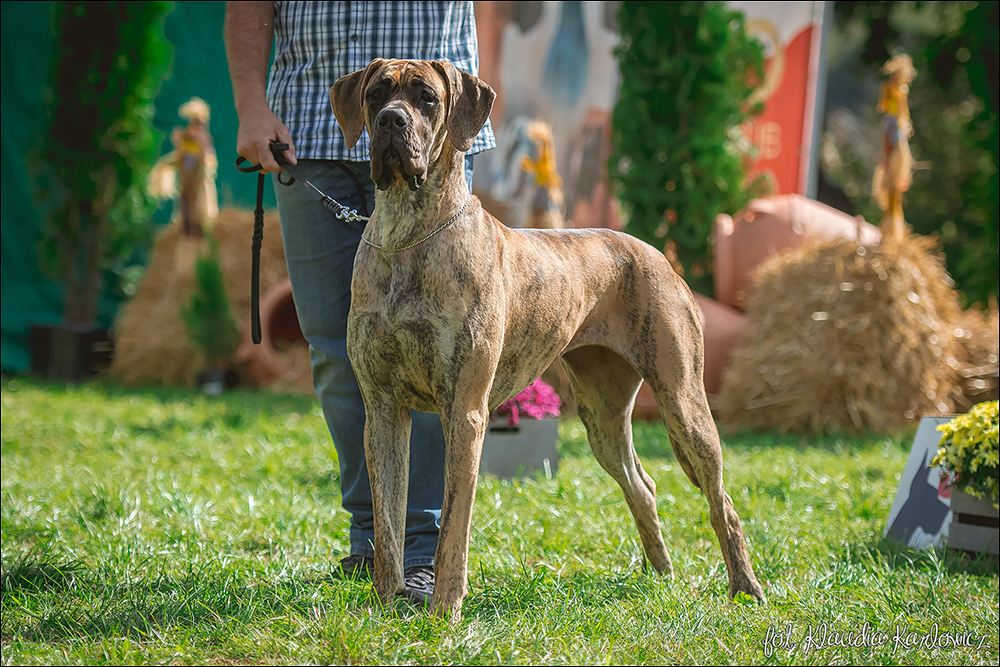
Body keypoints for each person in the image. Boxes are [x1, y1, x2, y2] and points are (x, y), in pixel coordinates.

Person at [224, 1, 495, 603]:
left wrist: (454, 110)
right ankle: (375, 541)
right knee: (333, 347)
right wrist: (250, 106)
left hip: (438, 135)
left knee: (444, 359)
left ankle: (423, 551)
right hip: (307, 135)